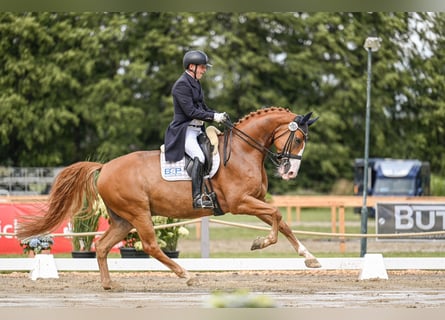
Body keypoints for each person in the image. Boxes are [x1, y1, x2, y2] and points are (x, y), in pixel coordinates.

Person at [164, 50, 227, 209]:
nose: (204, 70)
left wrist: (217, 115)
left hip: (198, 130)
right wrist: (213, 117)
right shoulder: (181, 85)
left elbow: (203, 107)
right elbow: (190, 112)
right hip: (185, 131)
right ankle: (197, 198)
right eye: (202, 67)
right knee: (200, 156)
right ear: (192, 66)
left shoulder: (196, 83)